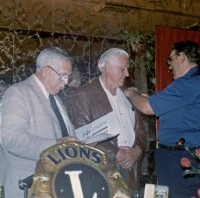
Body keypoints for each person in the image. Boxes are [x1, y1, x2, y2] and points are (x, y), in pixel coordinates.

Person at [125, 40, 200, 198]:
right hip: (184, 156)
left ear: (182, 57)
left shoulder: (187, 84)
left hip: (180, 159)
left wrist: (131, 94)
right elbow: (180, 109)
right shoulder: (192, 83)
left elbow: (146, 107)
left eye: (171, 59)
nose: (170, 66)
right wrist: (153, 100)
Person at [0, 46, 77, 198]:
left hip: (54, 185)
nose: (66, 82)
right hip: (26, 187)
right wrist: (56, 146)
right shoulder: (18, 92)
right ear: (46, 72)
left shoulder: (55, 98)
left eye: (67, 76)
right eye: (63, 76)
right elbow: (11, 139)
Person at [70, 48, 146, 193]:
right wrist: (116, 153)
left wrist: (137, 150)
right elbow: (82, 136)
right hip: (102, 171)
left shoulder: (129, 94)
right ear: (107, 67)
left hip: (131, 172)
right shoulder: (85, 94)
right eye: (123, 69)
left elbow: (140, 130)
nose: (127, 74)